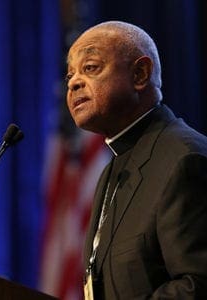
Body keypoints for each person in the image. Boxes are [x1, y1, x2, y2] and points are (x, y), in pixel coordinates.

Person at [66, 20, 207, 299]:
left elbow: (199, 283)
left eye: (90, 67)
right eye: (70, 74)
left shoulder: (185, 159)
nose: (73, 82)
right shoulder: (113, 170)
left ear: (140, 74)